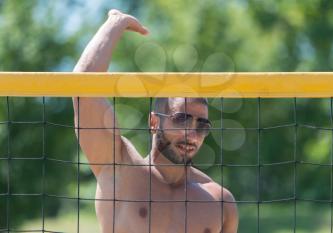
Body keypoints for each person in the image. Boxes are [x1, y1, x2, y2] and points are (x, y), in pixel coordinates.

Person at [73, 9, 238, 233]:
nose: (192, 133)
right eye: (181, 119)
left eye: (202, 125)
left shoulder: (220, 201)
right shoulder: (119, 170)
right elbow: (82, 87)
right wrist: (116, 23)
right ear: (153, 123)